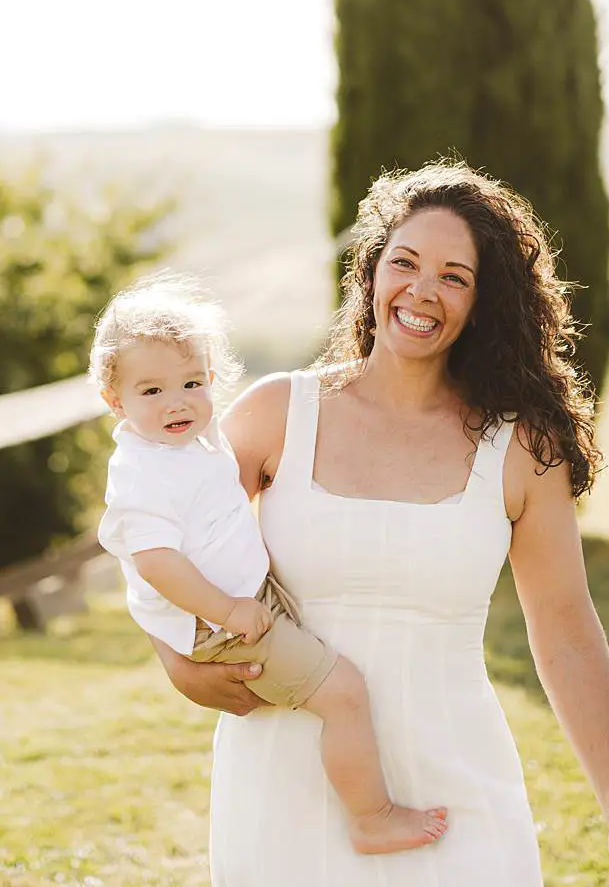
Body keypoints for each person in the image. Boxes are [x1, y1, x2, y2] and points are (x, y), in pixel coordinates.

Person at [147, 160, 609, 887]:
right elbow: (164, 544)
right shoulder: (278, 413)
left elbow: (566, 631)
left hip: (454, 782)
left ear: (486, 302)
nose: (421, 291)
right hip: (285, 780)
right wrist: (177, 664)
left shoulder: (523, 447)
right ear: (372, 272)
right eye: (405, 261)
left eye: (455, 276)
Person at [93, 276, 449, 856]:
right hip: (220, 623)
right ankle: (371, 817)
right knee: (344, 694)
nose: (177, 402)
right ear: (116, 400)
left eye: (191, 383)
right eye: (151, 391)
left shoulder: (189, 443)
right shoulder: (141, 471)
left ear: (212, 379)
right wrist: (228, 611)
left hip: (242, 603)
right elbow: (155, 563)